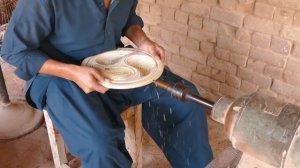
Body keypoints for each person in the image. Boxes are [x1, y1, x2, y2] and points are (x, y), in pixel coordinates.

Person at [1, 0, 213, 167]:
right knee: (101, 144)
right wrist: (72, 72)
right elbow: (13, 51)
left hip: (112, 64)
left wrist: (143, 41)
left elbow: (127, 16)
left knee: (186, 100)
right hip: (59, 76)